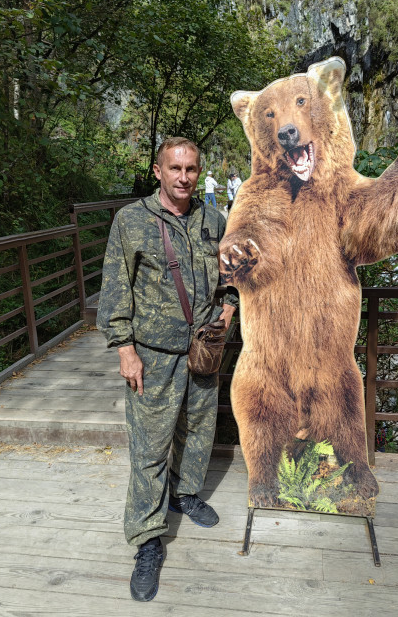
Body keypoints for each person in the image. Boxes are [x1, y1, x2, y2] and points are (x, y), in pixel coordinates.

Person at [96, 137, 237, 603]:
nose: (183, 177)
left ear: (200, 172)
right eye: (174, 168)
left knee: (199, 428)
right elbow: (116, 289)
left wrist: (230, 308)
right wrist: (124, 349)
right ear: (158, 171)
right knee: (150, 447)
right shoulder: (131, 222)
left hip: (203, 348)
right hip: (152, 354)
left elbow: (234, 275)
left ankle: (187, 493)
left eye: (191, 169)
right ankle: (147, 538)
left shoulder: (213, 220)